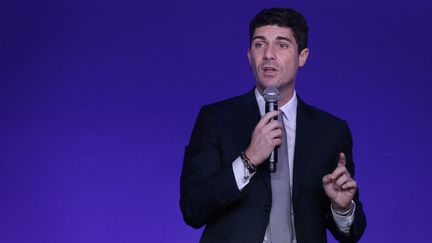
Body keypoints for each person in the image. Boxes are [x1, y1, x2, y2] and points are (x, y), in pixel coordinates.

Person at [180, 7, 366, 243]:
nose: (268, 54)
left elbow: (352, 232)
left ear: (303, 56)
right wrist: (248, 159)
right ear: (249, 55)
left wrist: (341, 208)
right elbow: (192, 208)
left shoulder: (330, 131)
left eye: (282, 45)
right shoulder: (215, 119)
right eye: (259, 44)